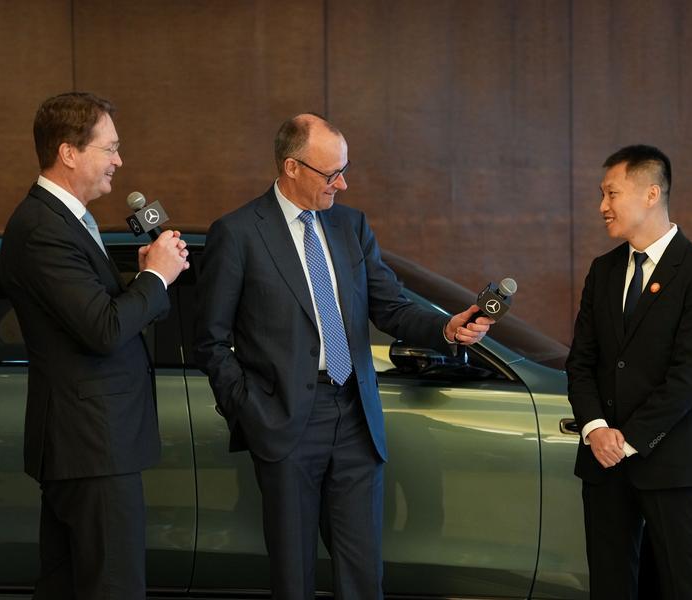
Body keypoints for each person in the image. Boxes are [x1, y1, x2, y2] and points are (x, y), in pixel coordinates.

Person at [194, 113, 493, 600]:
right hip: (284, 420)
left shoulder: (351, 226)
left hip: (355, 415)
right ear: (292, 168)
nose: (343, 184)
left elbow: (391, 306)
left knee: (363, 576)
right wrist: (249, 409)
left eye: (344, 170)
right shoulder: (239, 232)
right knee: (293, 577)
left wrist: (447, 328)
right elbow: (209, 340)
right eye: (331, 174)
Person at [0, 92, 189, 599]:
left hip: (91, 443)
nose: (119, 161)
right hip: (90, 443)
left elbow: (96, 316)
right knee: (112, 586)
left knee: (70, 586)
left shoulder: (66, 221)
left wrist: (149, 279)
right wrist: (155, 279)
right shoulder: (43, 229)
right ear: (69, 152)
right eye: (110, 148)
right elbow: (103, 330)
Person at [566, 144, 692, 599]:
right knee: (609, 586)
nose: (602, 206)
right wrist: (596, 430)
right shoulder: (603, 270)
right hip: (602, 463)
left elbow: (689, 375)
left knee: (682, 585)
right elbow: (581, 362)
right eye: (602, 195)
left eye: (612, 193)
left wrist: (629, 439)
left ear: (651, 194)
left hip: (669, 462)